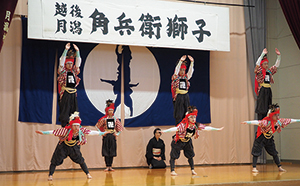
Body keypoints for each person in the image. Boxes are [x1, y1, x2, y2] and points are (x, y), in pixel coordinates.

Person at [35, 112, 104, 181]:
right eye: (75, 126)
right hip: (63, 147)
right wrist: (43, 132)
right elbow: (54, 132)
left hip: (74, 147)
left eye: (78, 125)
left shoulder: (81, 130)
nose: (76, 127)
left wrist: (103, 133)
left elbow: (91, 132)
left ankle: (88, 173)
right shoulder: (65, 131)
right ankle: (50, 175)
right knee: (54, 161)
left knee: (81, 160)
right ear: (71, 125)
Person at [163, 106, 223, 176]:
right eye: (191, 117)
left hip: (187, 141)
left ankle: (192, 170)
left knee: (190, 156)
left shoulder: (195, 125)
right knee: (173, 156)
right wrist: (165, 131)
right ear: (188, 118)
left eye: (194, 117)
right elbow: (175, 129)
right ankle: (172, 170)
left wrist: (216, 129)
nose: (193, 119)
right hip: (178, 141)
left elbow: (206, 128)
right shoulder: (183, 125)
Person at [241, 103, 300, 173]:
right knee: (256, 152)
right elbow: (257, 122)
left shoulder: (279, 122)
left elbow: (289, 121)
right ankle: (254, 167)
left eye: (278, 115)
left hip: (269, 138)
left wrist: (299, 120)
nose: (277, 116)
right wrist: (247, 122)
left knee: (274, 152)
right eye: (275, 115)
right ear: (271, 115)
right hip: (261, 137)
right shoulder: (266, 122)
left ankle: (279, 167)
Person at [95, 99, 123, 172]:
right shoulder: (104, 119)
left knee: (112, 151)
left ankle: (111, 166)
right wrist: (102, 133)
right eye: (109, 110)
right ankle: (107, 166)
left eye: (112, 110)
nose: (111, 112)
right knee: (106, 151)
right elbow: (97, 126)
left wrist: (117, 134)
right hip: (106, 136)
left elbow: (120, 128)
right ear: (107, 111)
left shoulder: (115, 119)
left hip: (112, 136)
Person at [57, 43, 81, 127]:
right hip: (65, 94)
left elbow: (78, 64)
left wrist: (77, 52)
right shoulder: (63, 71)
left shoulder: (74, 71)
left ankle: (73, 126)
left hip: (73, 94)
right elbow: (61, 62)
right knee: (65, 111)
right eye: (68, 63)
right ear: (65, 64)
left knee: (74, 111)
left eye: (71, 63)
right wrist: (65, 50)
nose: (70, 65)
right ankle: (64, 127)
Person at [255, 48, 281, 120]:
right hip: (263, 90)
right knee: (261, 108)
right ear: (262, 64)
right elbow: (257, 64)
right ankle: (261, 121)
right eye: (265, 64)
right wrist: (263, 54)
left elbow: (276, 66)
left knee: (268, 107)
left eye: (267, 64)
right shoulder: (260, 72)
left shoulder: (269, 72)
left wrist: (279, 57)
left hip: (268, 90)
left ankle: (268, 120)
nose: (266, 65)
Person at [171, 55, 194, 125]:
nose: (182, 71)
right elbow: (176, 70)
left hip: (185, 96)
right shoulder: (176, 77)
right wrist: (180, 61)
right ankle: (178, 126)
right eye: (181, 70)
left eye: (183, 70)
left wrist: (192, 62)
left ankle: (186, 127)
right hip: (179, 96)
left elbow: (190, 72)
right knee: (178, 113)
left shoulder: (186, 77)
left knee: (186, 112)